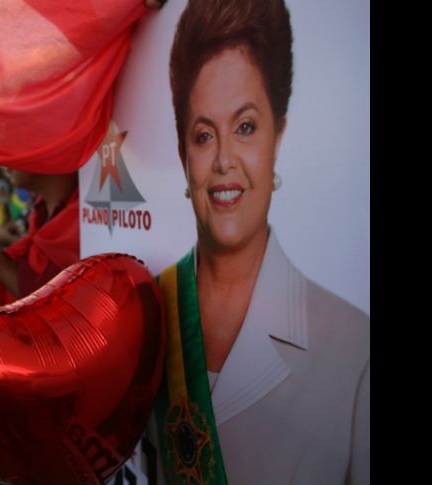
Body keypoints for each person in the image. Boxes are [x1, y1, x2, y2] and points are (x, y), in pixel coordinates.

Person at [150, 1, 370, 484]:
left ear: (278, 136)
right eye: (204, 135)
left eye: (245, 127)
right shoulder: (148, 311)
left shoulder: (355, 351)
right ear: (183, 154)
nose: (225, 160)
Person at [0, 169, 80, 303]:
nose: (4, 165)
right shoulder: (39, 209)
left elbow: (48, 304)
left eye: (15, 149)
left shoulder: (86, 219)